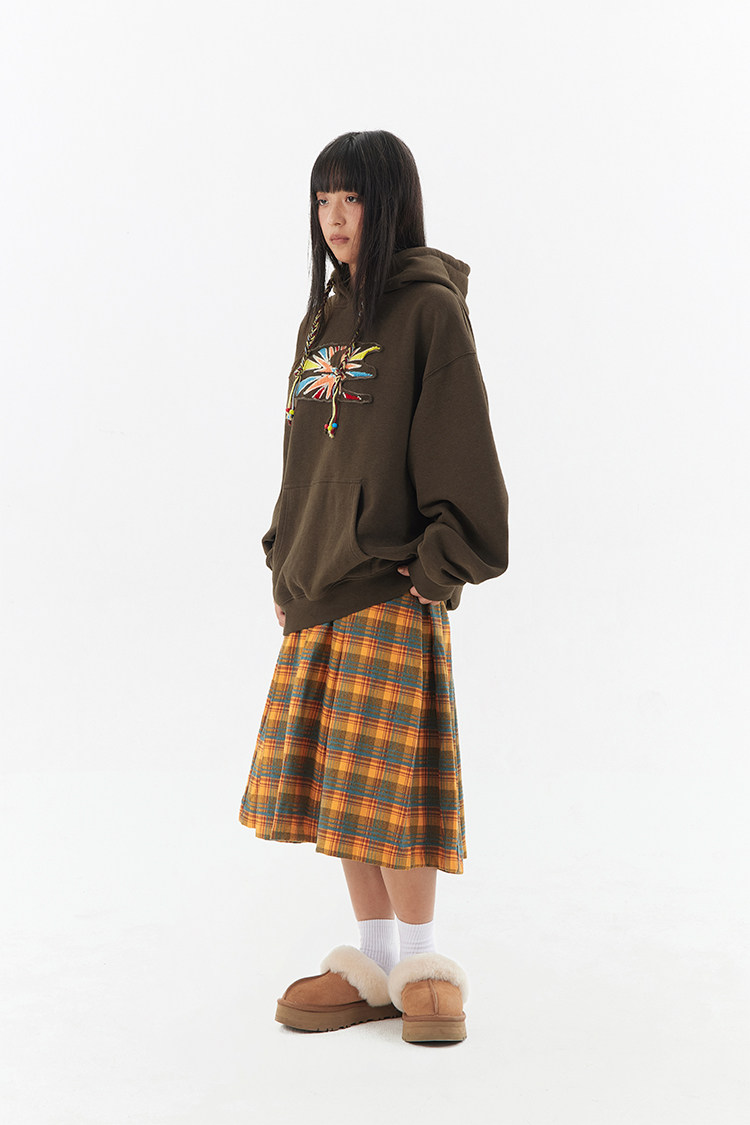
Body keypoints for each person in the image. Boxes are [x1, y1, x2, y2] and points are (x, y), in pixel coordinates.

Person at [239, 130, 509, 1044]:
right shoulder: (322, 318)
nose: (334, 217)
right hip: (316, 589)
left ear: (389, 202)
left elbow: (467, 461)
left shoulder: (429, 312)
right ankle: (374, 959)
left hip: (390, 590)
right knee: (344, 797)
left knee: (394, 796)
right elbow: (302, 461)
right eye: (323, 199)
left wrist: (436, 567)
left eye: (351, 197)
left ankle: (423, 962)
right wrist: (284, 556)